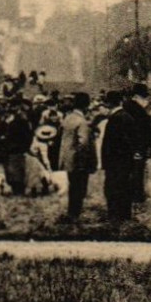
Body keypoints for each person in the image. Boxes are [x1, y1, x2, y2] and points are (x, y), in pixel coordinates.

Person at [102, 87, 148, 222]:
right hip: (123, 160)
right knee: (123, 187)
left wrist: (110, 160)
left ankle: (116, 216)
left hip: (116, 161)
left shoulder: (117, 118)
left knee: (114, 188)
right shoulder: (125, 117)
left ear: (109, 103)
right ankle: (123, 215)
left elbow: (117, 143)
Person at [58, 92, 96, 222]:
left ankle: (71, 212)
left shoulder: (67, 118)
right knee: (79, 189)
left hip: (67, 159)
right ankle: (75, 215)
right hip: (79, 161)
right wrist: (85, 162)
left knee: (73, 187)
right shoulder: (82, 122)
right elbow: (83, 143)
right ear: (86, 105)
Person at [0, 103, 34, 196]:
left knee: (15, 171)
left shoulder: (18, 123)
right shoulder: (7, 122)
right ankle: (17, 189)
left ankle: (18, 190)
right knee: (13, 171)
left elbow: (25, 136)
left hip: (15, 149)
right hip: (12, 150)